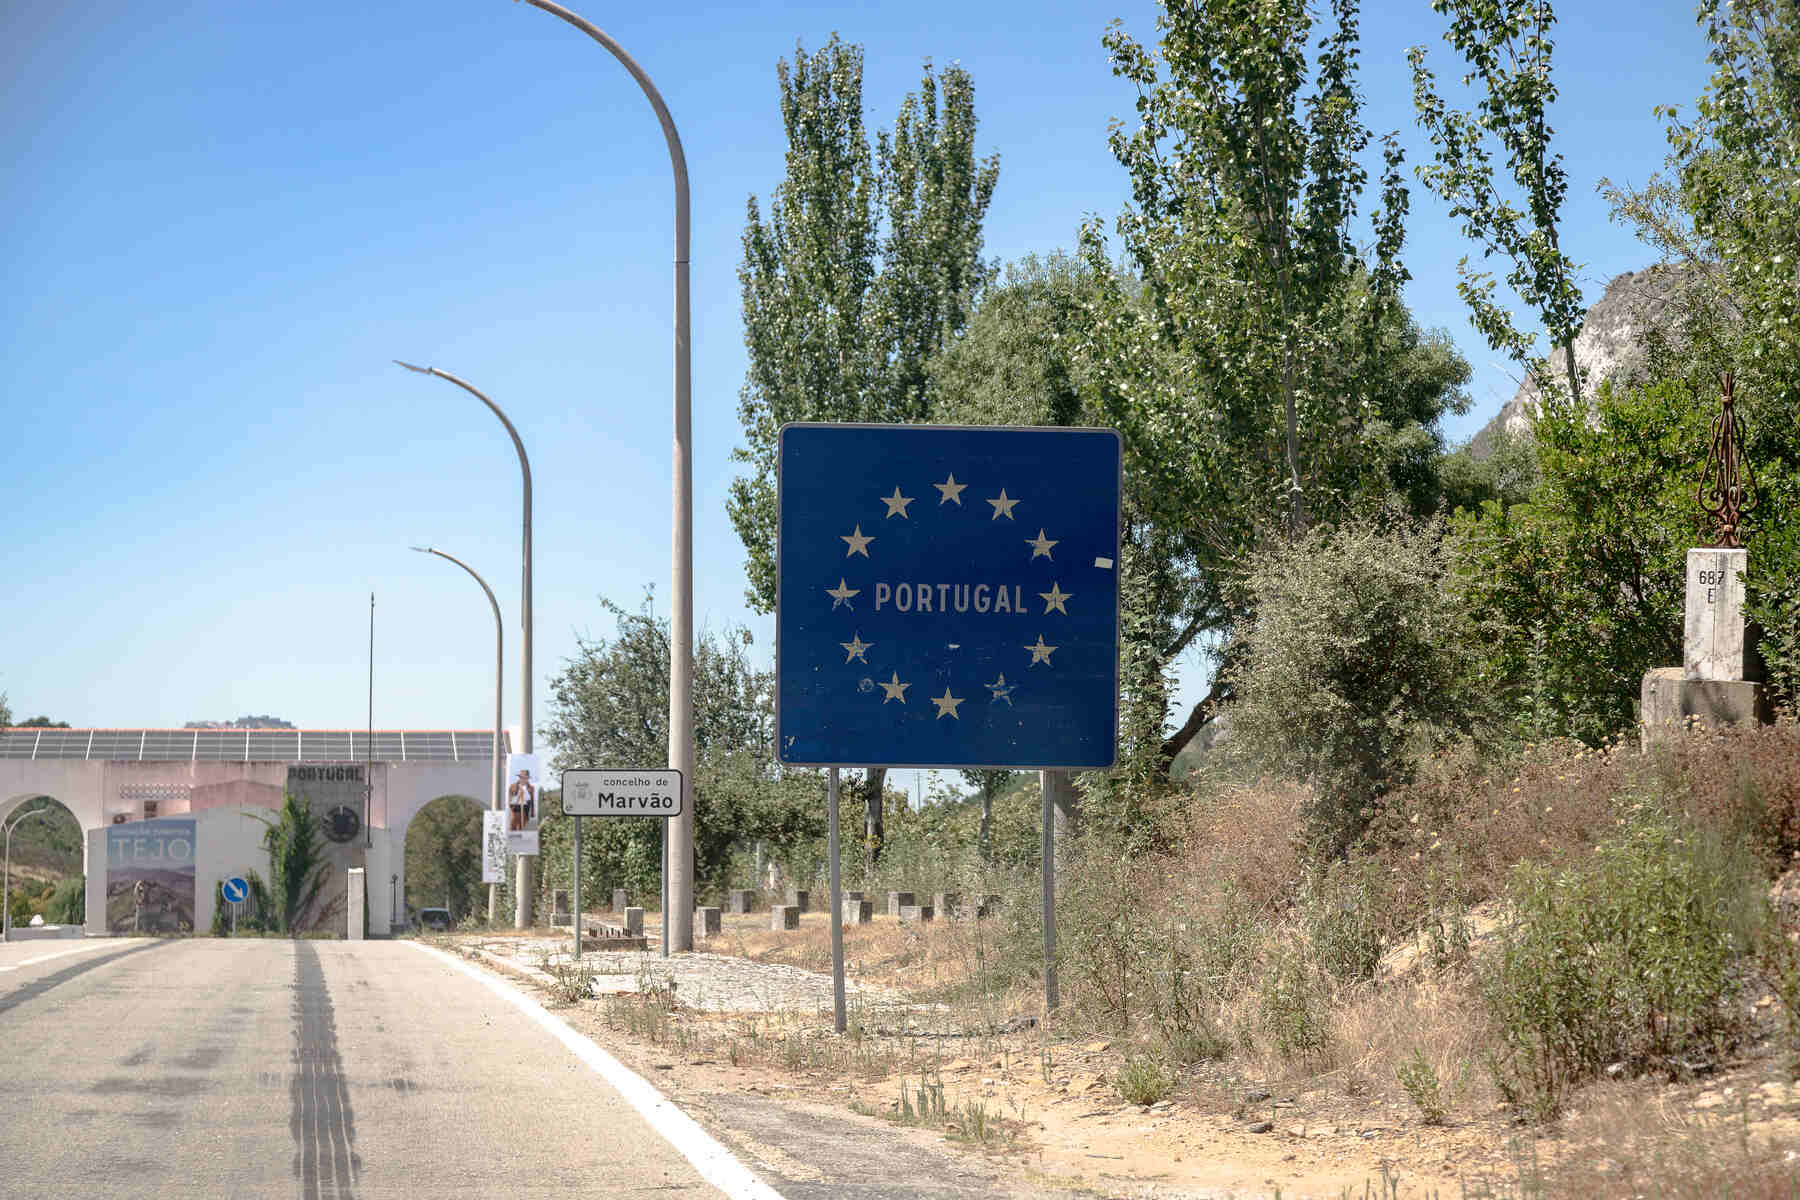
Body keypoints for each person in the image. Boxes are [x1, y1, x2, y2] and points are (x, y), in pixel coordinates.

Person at [507, 768, 535, 832]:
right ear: (519, 778)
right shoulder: (513, 786)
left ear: (528, 778)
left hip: (525, 809)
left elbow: (532, 800)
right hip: (515, 808)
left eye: (525, 778)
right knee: (513, 827)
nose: (523, 779)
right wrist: (511, 806)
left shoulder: (531, 788)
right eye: (522, 777)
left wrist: (532, 813)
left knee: (524, 828)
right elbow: (510, 797)